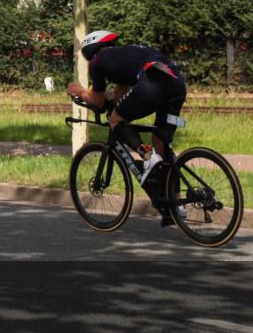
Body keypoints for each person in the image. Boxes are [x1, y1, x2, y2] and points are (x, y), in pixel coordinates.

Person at [66, 31, 187, 226]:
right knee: (161, 143)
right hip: (177, 86)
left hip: (152, 82)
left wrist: (79, 91)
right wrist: (111, 103)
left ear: (91, 50)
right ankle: (175, 203)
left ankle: (147, 156)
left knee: (115, 122)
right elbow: (119, 97)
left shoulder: (97, 62)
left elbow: (97, 100)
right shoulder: (126, 56)